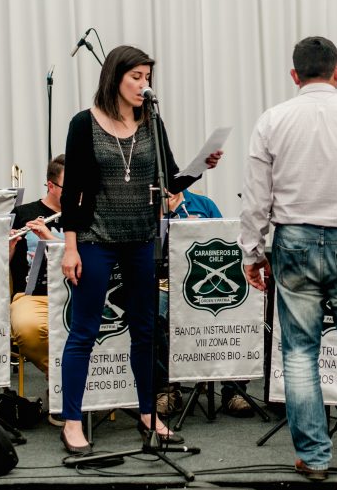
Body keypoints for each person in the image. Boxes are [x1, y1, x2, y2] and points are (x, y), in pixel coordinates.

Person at [239, 36, 337, 481]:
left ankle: (313, 457)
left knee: (298, 353)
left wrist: (251, 252)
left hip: (294, 240)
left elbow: (257, 197)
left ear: (294, 75)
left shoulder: (272, 120)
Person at [58, 45, 222, 454]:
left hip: (143, 241)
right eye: (136, 77)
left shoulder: (152, 122)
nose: (143, 84)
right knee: (84, 330)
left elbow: (169, 180)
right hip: (96, 239)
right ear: (114, 77)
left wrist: (201, 166)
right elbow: (73, 191)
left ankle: (149, 413)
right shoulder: (84, 124)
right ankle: (72, 420)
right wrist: (70, 247)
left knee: (145, 331)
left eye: (147, 77)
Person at [155, 189, 253, 417]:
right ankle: (167, 390)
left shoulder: (203, 204)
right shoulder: (152, 205)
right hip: (165, 283)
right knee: (153, 312)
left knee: (238, 305)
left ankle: (234, 391)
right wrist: (162, 216)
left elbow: (224, 240)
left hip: (203, 282)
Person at [8, 155, 65, 422]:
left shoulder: (88, 212)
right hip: (33, 295)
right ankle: (60, 378)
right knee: (27, 329)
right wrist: (7, 249)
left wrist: (50, 238)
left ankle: (67, 387)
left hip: (78, 293)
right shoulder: (23, 214)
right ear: (50, 185)